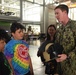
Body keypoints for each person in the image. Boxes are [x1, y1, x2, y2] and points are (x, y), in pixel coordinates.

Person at [54, 4, 76, 75]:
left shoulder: (74, 26)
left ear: (65, 12)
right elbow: (57, 45)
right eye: (55, 14)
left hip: (72, 67)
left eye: (57, 13)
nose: (56, 16)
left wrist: (67, 56)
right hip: (60, 66)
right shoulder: (59, 29)